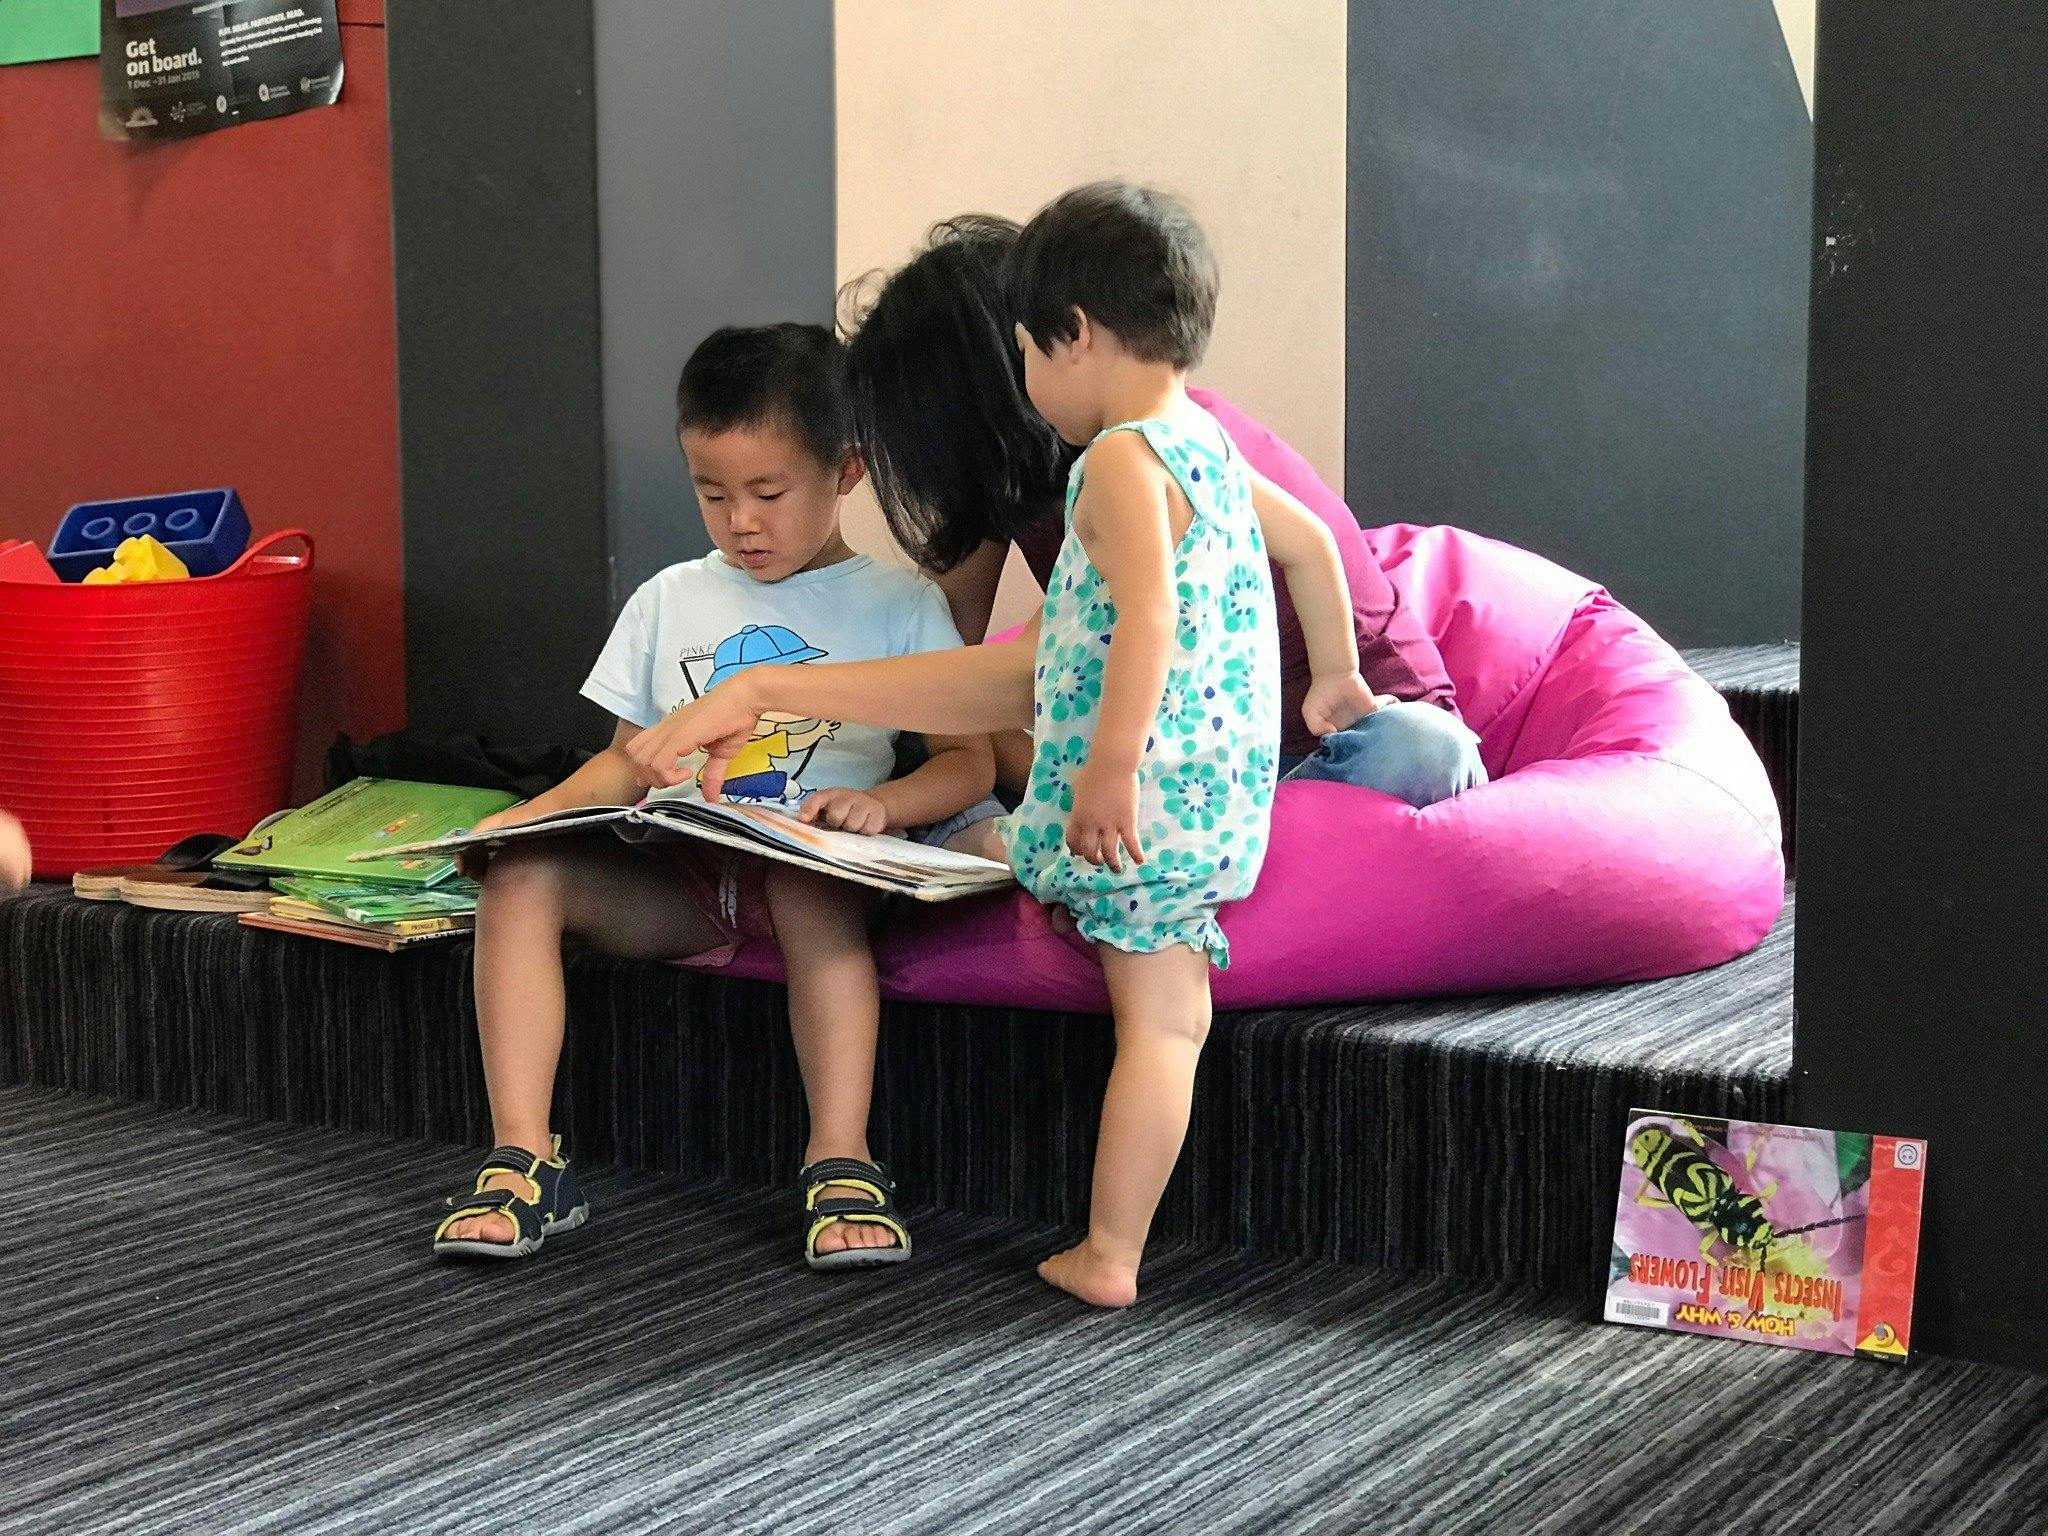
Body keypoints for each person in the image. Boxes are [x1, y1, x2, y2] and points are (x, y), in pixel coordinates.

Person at [627, 184, 1375, 1308]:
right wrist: (1335, 678)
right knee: (1168, 1016)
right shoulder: (1203, 446)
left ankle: (1109, 1252)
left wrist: (1112, 769)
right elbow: (1307, 545)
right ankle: (1111, 1250)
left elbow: (1137, 630)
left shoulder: (1114, 467)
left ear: (1069, 335)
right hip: (1221, 807)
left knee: (1115, 970)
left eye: (1029, 349)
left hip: (1137, 804)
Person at [432, 324, 995, 1270]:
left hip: (818, 883)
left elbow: (969, 764)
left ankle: (841, 1155)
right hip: (687, 879)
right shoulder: (668, 599)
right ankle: (524, 1159)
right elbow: (623, 761)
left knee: (809, 887)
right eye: (713, 494)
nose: (742, 522)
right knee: (520, 879)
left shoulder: (898, 606)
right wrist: (526, 818)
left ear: (847, 470)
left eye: (769, 494)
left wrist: (886, 805)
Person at [841, 213, 1487, 808]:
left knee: (1420, 748)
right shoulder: (1032, 465)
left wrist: (783, 692)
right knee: (947, 741)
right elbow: (940, 633)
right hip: (1189, 757)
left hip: (1324, 749)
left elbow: (1025, 672)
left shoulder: (1153, 455)